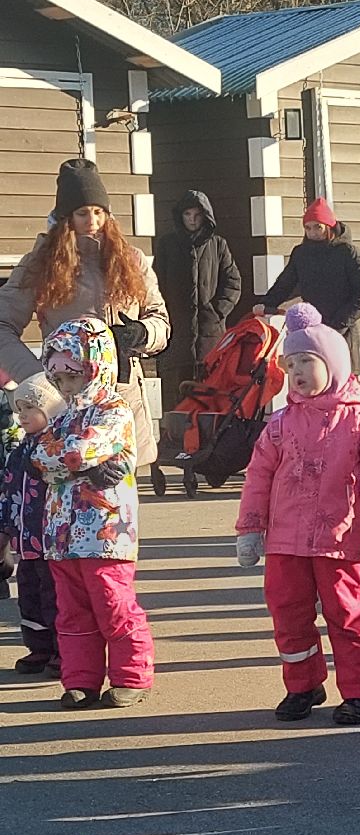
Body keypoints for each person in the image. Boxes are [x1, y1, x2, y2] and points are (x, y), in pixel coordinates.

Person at [235, 303, 360, 726]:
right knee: (288, 613)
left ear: (334, 363)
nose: (298, 373)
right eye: (291, 365)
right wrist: (250, 528)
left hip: (338, 540)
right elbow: (257, 476)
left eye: (307, 361)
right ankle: (303, 683)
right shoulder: (280, 423)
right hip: (286, 540)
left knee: (346, 615)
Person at [0, 159, 170, 468]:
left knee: (123, 507)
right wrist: (40, 379)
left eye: (99, 212)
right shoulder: (40, 263)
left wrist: (143, 333)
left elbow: (161, 321)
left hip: (122, 397)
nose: (92, 220)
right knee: (72, 507)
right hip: (65, 404)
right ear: (66, 218)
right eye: (82, 213)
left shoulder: (131, 260)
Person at [35, 318, 156, 709]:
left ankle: (131, 676)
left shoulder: (113, 409)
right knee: (71, 613)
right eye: (58, 377)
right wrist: (67, 462)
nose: (66, 386)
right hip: (60, 534)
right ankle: (80, 680)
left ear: (94, 368)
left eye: (73, 375)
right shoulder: (60, 416)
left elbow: (77, 451)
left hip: (106, 532)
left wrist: (65, 462)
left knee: (113, 604)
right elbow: (38, 456)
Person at [1, 373, 66, 677]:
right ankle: (38, 647)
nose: (22, 415)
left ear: (51, 411)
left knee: (54, 597)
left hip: (51, 542)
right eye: (20, 409)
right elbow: (9, 492)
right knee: (28, 597)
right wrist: (5, 530)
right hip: (24, 542)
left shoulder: (56, 449)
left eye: (31, 408)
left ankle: (60, 649)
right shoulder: (18, 452)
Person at [151, 190, 241, 409]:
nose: (191, 219)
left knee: (210, 395)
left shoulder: (218, 245)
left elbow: (233, 282)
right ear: (180, 216)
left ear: (205, 216)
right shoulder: (167, 245)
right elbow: (155, 282)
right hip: (176, 335)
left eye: (197, 215)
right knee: (177, 395)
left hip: (210, 337)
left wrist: (217, 311)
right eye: (187, 214)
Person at [257, 198, 360, 346]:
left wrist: (339, 324)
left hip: (342, 332)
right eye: (308, 228)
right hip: (311, 329)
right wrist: (265, 304)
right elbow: (284, 285)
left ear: (329, 227)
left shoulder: (347, 252)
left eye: (318, 227)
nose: (313, 232)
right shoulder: (301, 254)